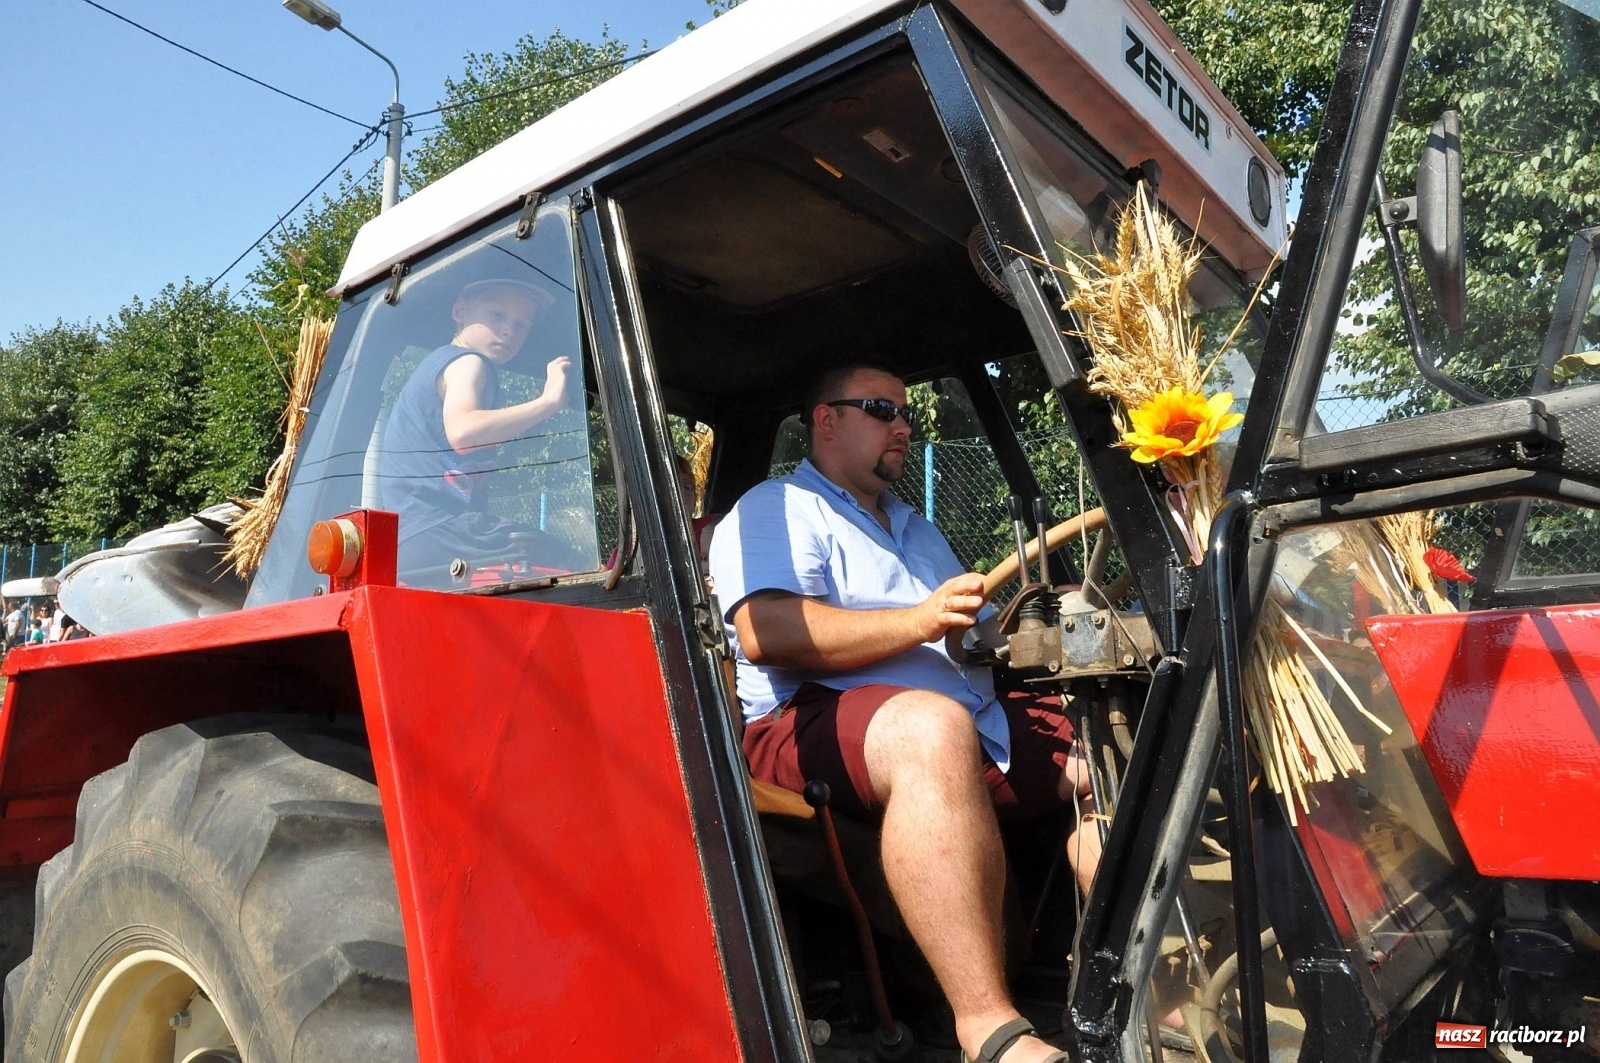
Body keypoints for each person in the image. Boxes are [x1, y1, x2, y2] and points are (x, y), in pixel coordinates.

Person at [708, 363, 1092, 1063]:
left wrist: (985, 637)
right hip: (808, 720)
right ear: (826, 420)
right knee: (930, 728)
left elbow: (962, 637)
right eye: (882, 409)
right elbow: (769, 629)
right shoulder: (777, 507)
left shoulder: (918, 528)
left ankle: (1131, 975)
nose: (905, 426)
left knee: (1116, 737)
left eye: (907, 412)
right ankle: (989, 1026)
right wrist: (920, 619)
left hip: (964, 711)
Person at [380, 278, 583, 575]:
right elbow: (464, 432)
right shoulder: (468, 362)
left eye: (521, 325)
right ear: (460, 311)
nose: (508, 331)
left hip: (414, 537)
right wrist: (548, 402)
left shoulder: (437, 365)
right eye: (497, 315)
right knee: (581, 569)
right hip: (443, 527)